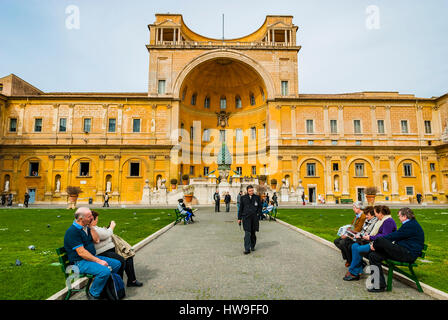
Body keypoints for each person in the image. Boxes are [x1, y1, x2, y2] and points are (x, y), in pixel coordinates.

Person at [63, 207, 121, 300]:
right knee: (104, 271)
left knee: (116, 264)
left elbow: (97, 240)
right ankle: (93, 294)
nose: (92, 218)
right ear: (81, 219)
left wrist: (91, 227)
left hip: (90, 258)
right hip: (79, 263)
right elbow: (81, 253)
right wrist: (99, 261)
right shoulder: (73, 232)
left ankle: (105, 289)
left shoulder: (86, 227)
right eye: (89, 216)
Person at [367, 207, 424, 292]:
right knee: (373, 256)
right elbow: (395, 236)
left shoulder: (410, 225)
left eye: (399, 216)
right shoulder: (410, 224)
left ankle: (374, 246)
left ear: (404, 216)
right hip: (403, 251)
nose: (399, 218)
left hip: (408, 254)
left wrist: (375, 244)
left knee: (380, 240)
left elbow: (393, 236)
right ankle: (378, 285)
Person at [90, 210, 143, 287]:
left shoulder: (95, 227)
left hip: (109, 250)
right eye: (96, 219)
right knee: (121, 261)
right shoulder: (92, 229)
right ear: (92, 219)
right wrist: (111, 226)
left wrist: (108, 233)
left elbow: (106, 234)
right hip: (102, 253)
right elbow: (106, 234)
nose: (97, 220)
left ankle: (132, 280)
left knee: (128, 256)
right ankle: (118, 284)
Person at [344, 205, 397, 281]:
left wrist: (370, 237)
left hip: (381, 246)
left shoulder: (388, 221)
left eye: (376, 213)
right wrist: (369, 236)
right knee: (354, 246)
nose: (375, 215)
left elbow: (385, 236)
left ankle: (353, 272)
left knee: (358, 249)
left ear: (381, 213)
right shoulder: (381, 220)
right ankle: (357, 270)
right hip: (374, 242)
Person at [334, 202, 366, 267]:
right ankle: (349, 259)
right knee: (336, 241)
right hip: (351, 233)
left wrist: (348, 234)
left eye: (354, 207)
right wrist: (346, 229)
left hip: (355, 235)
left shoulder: (363, 216)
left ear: (358, 208)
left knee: (343, 243)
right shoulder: (357, 215)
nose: (353, 209)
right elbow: (352, 225)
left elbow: (358, 229)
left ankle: (350, 261)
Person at [237, 185, 261, 254]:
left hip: (254, 218)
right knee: (247, 233)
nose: (251, 192)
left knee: (253, 233)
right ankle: (247, 249)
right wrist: (239, 218)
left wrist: (258, 214)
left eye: (252, 190)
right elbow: (240, 209)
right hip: (246, 218)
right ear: (247, 191)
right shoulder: (243, 198)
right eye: (250, 191)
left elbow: (260, 207)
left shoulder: (257, 197)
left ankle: (252, 245)